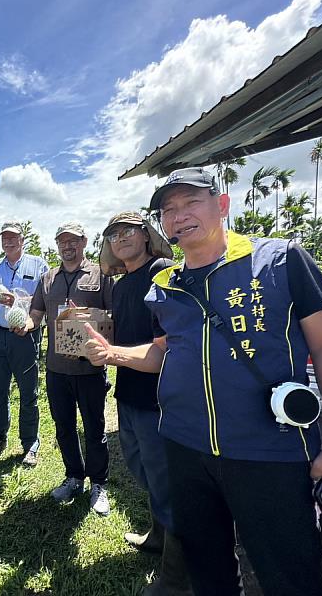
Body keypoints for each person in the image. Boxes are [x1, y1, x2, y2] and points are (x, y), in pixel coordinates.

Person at [84, 168, 322, 596]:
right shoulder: (166, 285)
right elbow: (163, 351)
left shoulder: (281, 260)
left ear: (222, 204)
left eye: (191, 202)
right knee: (208, 572)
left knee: (291, 576)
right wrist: (111, 354)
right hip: (183, 447)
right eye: (168, 209)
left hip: (267, 451)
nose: (179, 215)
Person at [99, 211, 189, 594]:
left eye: (128, 231)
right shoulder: (121, 285)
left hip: (160, 397)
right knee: (141, 469)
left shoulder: (162, 269)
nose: (121, 238)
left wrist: (110, 353)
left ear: (147, 235)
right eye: (113, 235)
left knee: (165, 481)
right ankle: (157, 536)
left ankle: (176, 579)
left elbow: (164, 347)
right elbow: (119, 331)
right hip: (129, 390)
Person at [18, 222, 113, 514]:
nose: (68, 246)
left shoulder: (101, 275)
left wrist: (87, 318)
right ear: (57, 245)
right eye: (62, 242)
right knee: (64, 427)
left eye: (73, 241)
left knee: (94, 427)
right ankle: (74, 476)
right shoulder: (48, 279)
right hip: (57, 369)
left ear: (84, 242)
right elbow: (36, 314)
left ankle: (99, 483)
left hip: (90, 369)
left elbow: (113, 314)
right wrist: (26, 324)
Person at [0, 221, 49, 465]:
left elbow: (43, 299)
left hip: (25, 335)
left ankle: (30, 443)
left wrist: (19, 300)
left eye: (13, 237)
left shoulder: (38, 265)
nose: (8, 241)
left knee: (28, 391)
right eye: (4, 237)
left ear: (22, 239)